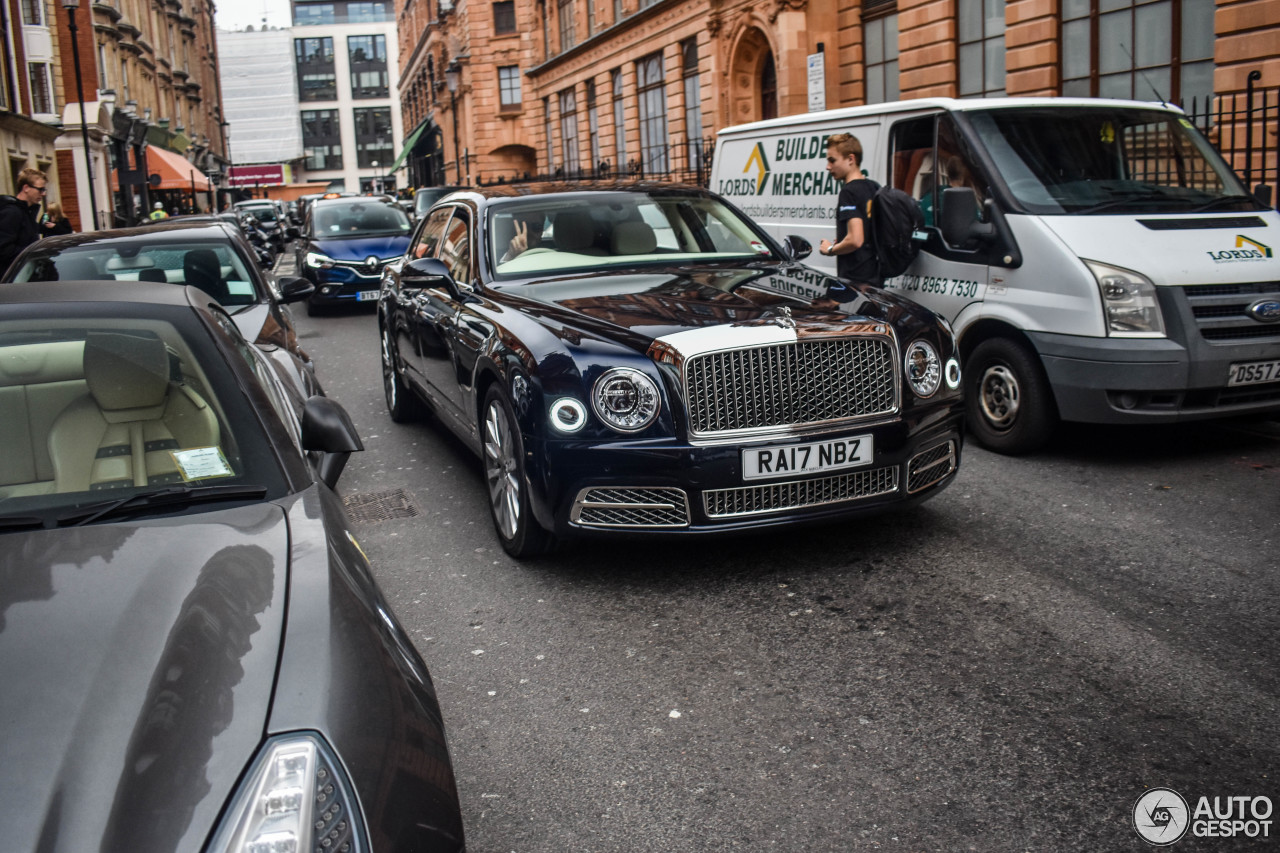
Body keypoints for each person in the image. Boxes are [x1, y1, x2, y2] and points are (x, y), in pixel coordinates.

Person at [817, 133, 880, 287]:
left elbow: (855, 240)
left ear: (851, 159)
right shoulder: (873, 187)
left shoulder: (849, 192)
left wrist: (830, 249)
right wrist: (842, 243)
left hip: (855, 279)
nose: (828, 166)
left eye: (832, 160)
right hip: (875, 277)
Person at [0, 168, 48, 273]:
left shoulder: (28, 213)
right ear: (26, 188)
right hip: (11, 279)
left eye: (44, 190)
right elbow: (4, 249)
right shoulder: (12, 212)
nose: (43, 194)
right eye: (40, 189)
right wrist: (34, 253)